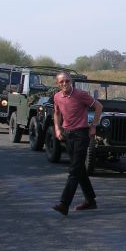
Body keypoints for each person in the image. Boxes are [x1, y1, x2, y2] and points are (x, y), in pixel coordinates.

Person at [51, 71, 103, 216]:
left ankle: (64, 204)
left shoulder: (80, 95)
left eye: (67, 81)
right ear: (57, 84)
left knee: (74, 169)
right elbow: (56, 113)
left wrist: (93, 126)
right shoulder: (57, 97)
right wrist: (57, 128)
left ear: (71, 81)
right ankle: (90, 201)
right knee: (79, 169)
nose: (65, 84)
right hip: (68, 134)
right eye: (61, 82)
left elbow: (99, 107)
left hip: (81, 134)